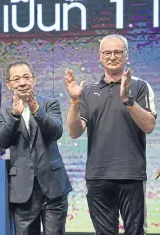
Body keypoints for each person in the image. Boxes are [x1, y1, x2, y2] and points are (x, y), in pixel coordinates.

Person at [64, 34, 156, 235]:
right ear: (100, 56)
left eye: (117, 52)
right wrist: (74, 102)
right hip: (98, 176)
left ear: (126, 56)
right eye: (107, 52)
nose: (112, 56)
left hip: (131, 174)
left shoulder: (140, 86)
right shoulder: (88, 91)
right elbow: (74, 131)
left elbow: (149, 126)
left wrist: (127, 100)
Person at [0, 60, 72, 235]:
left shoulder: (49, 104)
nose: (22, 82)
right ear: (9, 84)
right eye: (16, 79)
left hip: (53, 185)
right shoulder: (2, 112)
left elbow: (56, 132)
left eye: (26, 77)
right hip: (22, 190)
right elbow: (2, 142)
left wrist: (37, 110)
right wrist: (14, 116)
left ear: (34, 80)